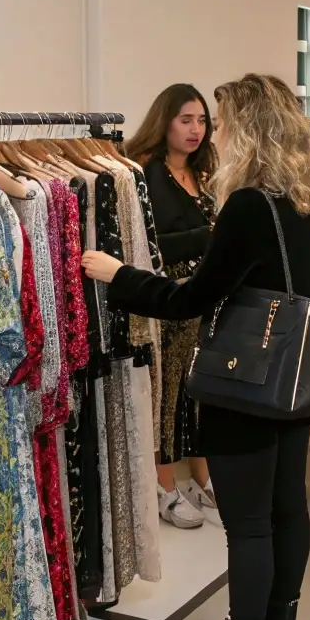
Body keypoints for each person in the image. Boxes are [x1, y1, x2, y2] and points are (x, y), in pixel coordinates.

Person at [83, 73, 310, 620]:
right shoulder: (307, 199)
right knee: (288, 510)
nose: (213, 133)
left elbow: (192, 299)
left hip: (245, 384)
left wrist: (121, 276)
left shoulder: (249, 204)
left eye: (221, 122)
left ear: (247, 129)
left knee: (249, 526)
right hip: (295, 381)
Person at [124, 84, 218, 529]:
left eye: (201, 120)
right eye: (186, 119)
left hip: (204, 300)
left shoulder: (205, 170)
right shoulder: (144, 173)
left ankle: (202, 476)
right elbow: (145, 243)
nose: (195, 129)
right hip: (166, 302)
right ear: (165, 121)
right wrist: (205, 237)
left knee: (201, 393)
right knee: (166, 395)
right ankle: (164, 486)